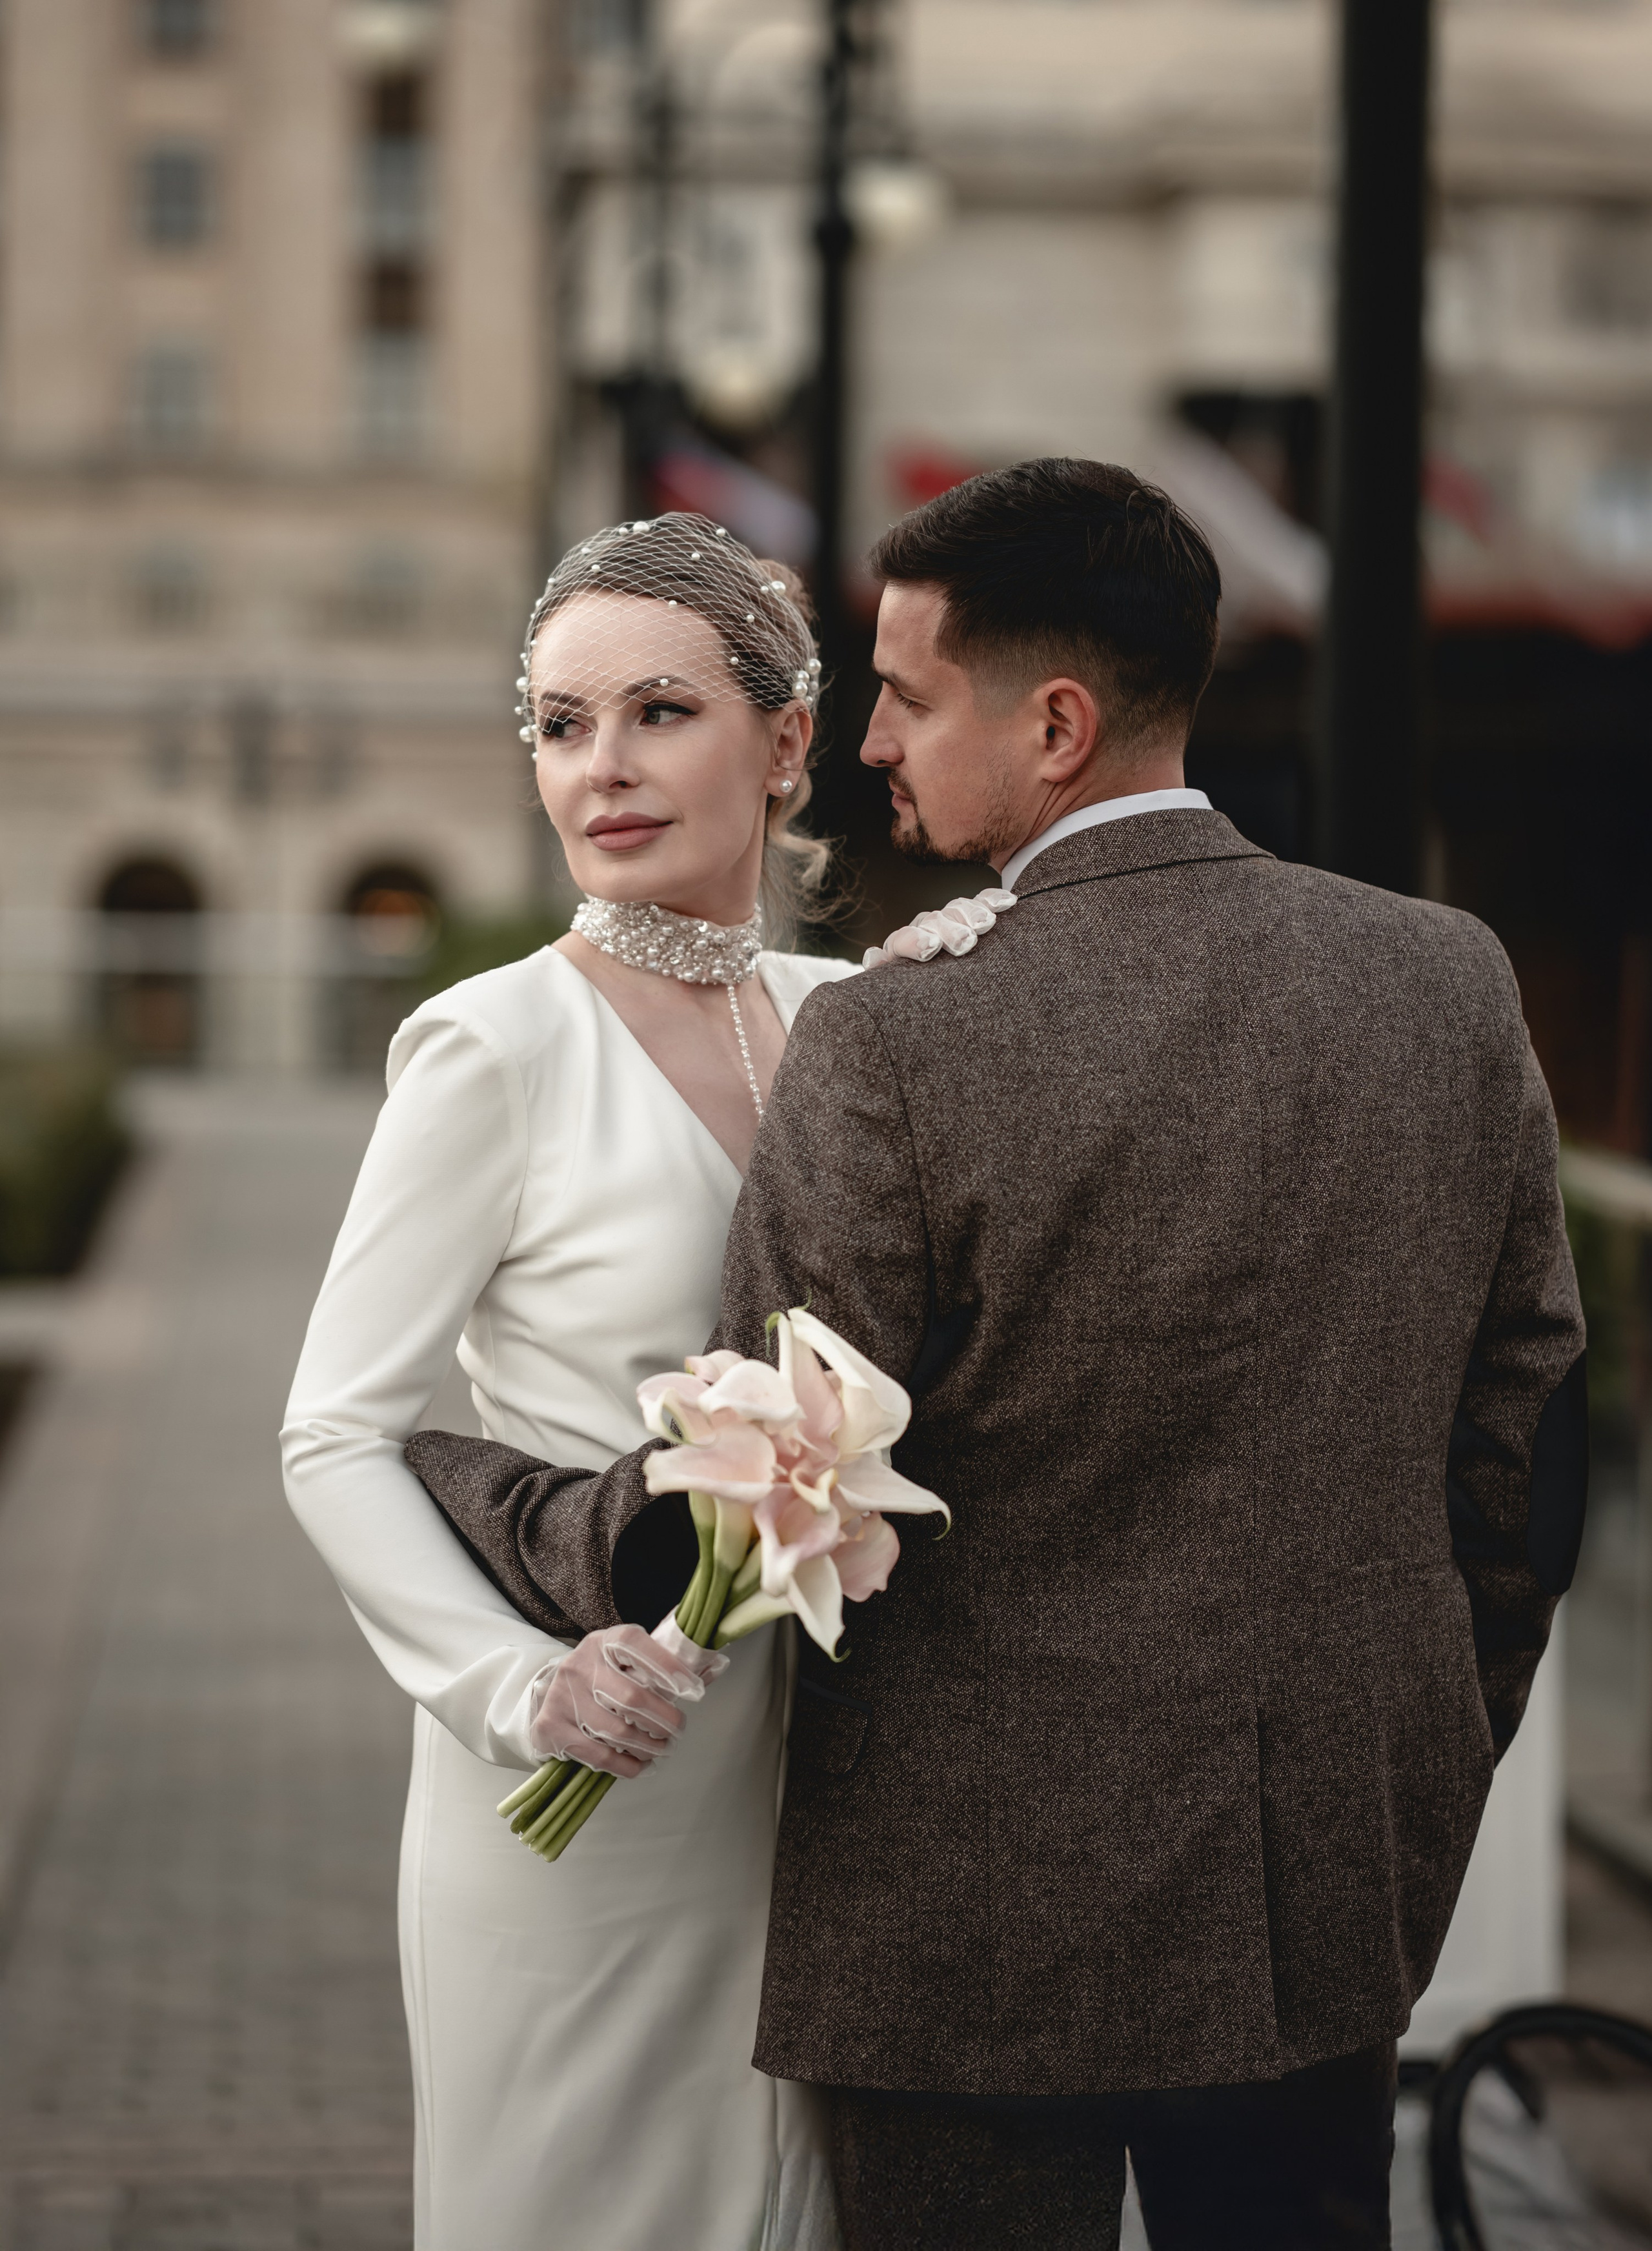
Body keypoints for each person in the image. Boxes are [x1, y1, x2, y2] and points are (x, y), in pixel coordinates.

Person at [407, 458, 1589, 2250]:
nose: (872, 741)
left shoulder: (895, 1042)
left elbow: (753, 1476)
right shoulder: (1446, 982)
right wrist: (1408, 1766)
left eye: (908, 692)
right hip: (1327, 1897)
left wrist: (473, 1481)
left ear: (1052, 724)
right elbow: (1528, 1457)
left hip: (958, 1931)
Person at [280, 512, 856, 2251]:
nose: (599, 767)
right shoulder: (496, 1044)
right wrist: (521, 1691)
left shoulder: (860, 1028)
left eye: (658, 712)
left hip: (832, 1796)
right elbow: (334, 1432)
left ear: (789, 740)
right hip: (589, 1788)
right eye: (556, 722)